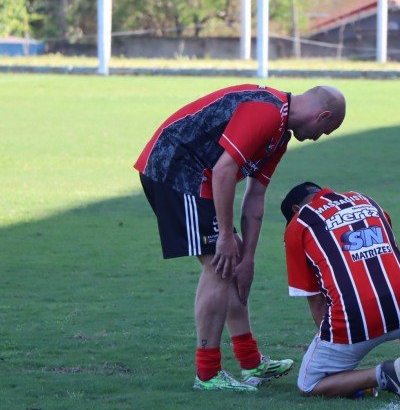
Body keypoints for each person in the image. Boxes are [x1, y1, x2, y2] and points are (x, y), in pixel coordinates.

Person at [135, 84, 346, 392]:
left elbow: (255, 197)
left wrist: (248, 258)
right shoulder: (267, 111)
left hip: (200, 176)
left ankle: (251, 363)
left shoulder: (280, 136)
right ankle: (207, 374)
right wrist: (223, 235)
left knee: (231, 263)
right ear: (322, 115)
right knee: (219, 266)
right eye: (326, 129)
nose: (319, 137)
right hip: (176, 169)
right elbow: (223, 171)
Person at [280, 182, 400, 403]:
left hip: (356, 320)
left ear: (295, 210)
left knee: (308, 385)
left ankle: (383, 374)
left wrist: (333, 347)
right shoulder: (365, 199)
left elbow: (316, 302)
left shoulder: (299, 222)